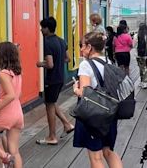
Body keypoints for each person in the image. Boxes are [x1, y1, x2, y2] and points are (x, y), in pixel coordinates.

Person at [73, 32, 122, 168]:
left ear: (89, 47)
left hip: (94, 115)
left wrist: (75, 89)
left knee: (96, 157)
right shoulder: (108, 61)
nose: (81, 49)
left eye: (82, 46)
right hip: (110, 113)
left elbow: (85, 92)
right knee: (109, 152)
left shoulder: (85, 65)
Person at [36, 17, 74, 145]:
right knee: (51, 103)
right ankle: (67, 124)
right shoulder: (62, 41)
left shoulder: (47, 42)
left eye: (42, 27)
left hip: (51, 79)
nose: (41, 30)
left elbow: (50, 64)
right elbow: (68, 59)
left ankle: (52, 136)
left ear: (47, 28)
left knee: (49, 106)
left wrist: (40, 64)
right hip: (60, 78)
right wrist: (58, 62)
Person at [136, 23, 147, 88]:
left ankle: (142, 81)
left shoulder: (137, 35)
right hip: (146, 54)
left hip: (139, 55)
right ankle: (145, 82)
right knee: (145, 69)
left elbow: (134, 45)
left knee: (141, 68)